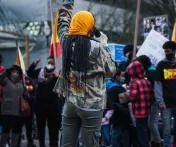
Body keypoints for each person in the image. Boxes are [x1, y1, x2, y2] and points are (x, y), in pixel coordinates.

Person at [57, 2, 115, 147]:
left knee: (66, 144)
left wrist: (67, 4)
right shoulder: (98, 46)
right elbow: (111, 70)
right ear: (90, 27)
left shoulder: (65, 41)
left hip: (70, 103)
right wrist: (103, 41)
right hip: (92, 105)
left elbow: (62, 22)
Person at [119, 60, 152, 147]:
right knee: (145, 130)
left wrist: (127, 92)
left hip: (138, 111)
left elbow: (132, 97)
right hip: (146, 110)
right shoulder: (146, 81)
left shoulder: (134, 83)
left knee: (141, 132)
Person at [154, 41, 176, 147]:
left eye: (168, 51)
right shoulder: (161, 65)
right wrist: (160, 101)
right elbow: (158, 84)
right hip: (166, 104)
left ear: (174, 51)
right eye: (165, 51)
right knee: (167, 129)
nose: (166, 53)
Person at [136, 55, 162, 147]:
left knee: (152, 123)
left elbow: (154, 87)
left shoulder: (151, 72)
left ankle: (158, 141)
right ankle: (153, 141)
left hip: (154, 100)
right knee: (151, 122)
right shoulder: (151, 70)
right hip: (153, 100)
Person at [34, 64, 61, 147]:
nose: (48, 73)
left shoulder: (56, 80)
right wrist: (34, 64)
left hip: (53, 110)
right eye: (47, 71)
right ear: (44, 71)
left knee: (54, 130)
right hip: (41, 109)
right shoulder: (40, 80)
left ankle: (54, 145)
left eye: (50, 72)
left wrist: (56, 77)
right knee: (41, 129)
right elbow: (29, 72)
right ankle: (42, 144)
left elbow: (61, 87)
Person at [0, 65, 25, 147]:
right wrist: (6, 71)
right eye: (14, 72)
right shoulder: (5, 81)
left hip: (18, 113)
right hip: (7, 112)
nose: (15, 73)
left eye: (17, 72)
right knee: (5, 133)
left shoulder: (21, 82)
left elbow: (23, 94)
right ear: (10, 73)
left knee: (16, 133)